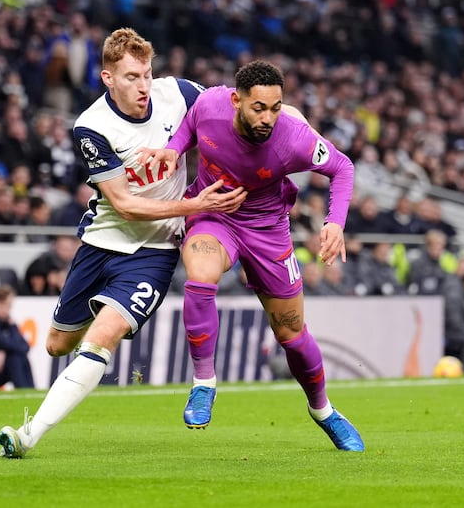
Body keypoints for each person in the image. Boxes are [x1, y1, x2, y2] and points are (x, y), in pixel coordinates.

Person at [0, 28, 246, 459]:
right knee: (58, 344)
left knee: (102, 336)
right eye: (131, 77)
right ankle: (81, 371)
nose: (144, 86)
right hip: (103, 240)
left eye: (147, 73)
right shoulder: (91, 127)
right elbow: (126, 205)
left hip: (154, 252)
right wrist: (194, 205)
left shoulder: (179, 93)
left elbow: (236, 103)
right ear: (108, 78)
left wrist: (287, 120)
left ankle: (27, 435)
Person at [138, 60, 363, 451]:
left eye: (276, 108)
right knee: (201, 276)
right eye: (259, 108)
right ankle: (204, 384)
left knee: (291, 335)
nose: (269, 118)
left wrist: (335, 222)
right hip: (214, 215)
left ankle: (323, 411)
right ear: (236, 100)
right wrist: (174, 151)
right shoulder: (210, 105)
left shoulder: (294, 137)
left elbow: (342, 168)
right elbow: (191, 124)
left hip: (268, 231)